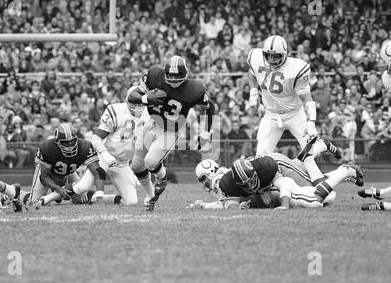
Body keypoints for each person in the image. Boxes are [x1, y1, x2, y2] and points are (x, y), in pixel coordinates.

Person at [127, 55, 215, 211]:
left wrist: (206, 133)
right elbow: (132, 96)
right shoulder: (155, 75)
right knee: (136, 165)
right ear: (165, 73)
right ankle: (150, 196)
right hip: (151, 122)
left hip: (170, 130)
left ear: (185, 74)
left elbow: (210, 108)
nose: (173, 79)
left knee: (151, 162)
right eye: (171, 75)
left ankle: (162, 175)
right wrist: (147, 98)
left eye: (177, 75)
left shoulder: (194, 90)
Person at [189, 138, 363, 210]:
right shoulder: (226, 178)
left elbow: (228, 201)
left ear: (211, 172)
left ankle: (318, 152)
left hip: (273, 167)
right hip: (265, 168)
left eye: (203, 179)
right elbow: (243, 190)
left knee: (316, 187)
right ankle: (321, 151)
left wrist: (204, 205)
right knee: (301, 169)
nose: (204, 184)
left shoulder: (222, 183)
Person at [68, 98, 153, 206]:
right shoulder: (117, 111)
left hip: (122, 163)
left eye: (139, 104)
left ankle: (92, 197)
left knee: (131, 202)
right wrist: (106, 155)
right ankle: (49, 197)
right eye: (133, 103)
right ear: (127, 101)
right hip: (104, 157)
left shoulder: (150, 114)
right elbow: (96, 138)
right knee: (81, 187)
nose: (136, 107)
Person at [247, 35, 318, 154]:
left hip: (294, 114)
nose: (271, 59)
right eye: (268, 55)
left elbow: (307, 98)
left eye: (275, 56)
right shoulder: (256, 58)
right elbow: (251, 74)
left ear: (284, 54)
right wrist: (253, 93)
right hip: (271, 115)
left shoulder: (296, 68)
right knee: (261, 157)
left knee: (311, 152)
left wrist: (311, 123)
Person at [20, 123, 107, 208]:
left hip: (69, 173)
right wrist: (58, 189)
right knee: (33, 203)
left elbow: (97, 171)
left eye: (72, 141)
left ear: (76, 139)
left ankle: (59, 195)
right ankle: (19, 194)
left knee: (82, 200)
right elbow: (44, 177)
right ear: (57, 142)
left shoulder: (85, 146)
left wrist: (100, 192)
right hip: (49, 174)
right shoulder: (47, 148)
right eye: (66, 143)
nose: (70, 146)